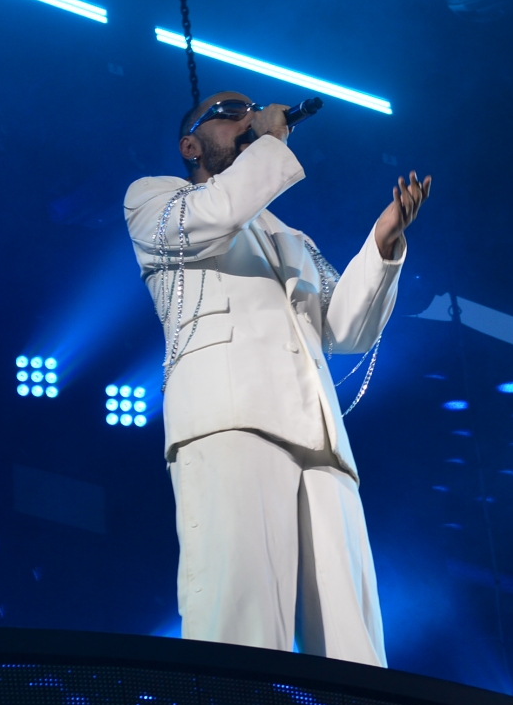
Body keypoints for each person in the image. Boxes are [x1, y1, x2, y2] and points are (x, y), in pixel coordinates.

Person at [123, 91, 431, 667]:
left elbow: (344, 329)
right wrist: (265, 141)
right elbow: (215, 215)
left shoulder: (292, 238)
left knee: (351, 636)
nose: (247, 117)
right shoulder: (154, 199)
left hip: (318, 437)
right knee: (239, 617)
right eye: (229, 112)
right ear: (190, 144)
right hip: (230, 421)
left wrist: (383, 247)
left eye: (252, 109)